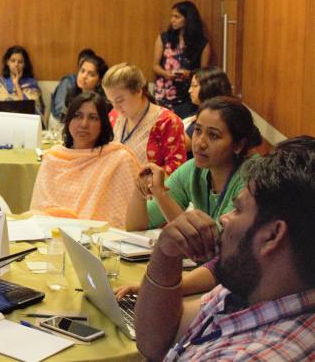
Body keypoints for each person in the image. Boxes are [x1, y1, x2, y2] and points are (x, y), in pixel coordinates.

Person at [134, 136, 315, 361]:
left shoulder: (255, 355)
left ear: (272, 236)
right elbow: (157, 342)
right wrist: (165, 255)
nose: (225, 219)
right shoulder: (250, 288)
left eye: (238, 210)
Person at [126, 96, 262, 231]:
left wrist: (161, 194)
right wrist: (141, 188)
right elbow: (137, 227)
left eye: (213, 135)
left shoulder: (254, 178)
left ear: (238, 145)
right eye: (197, 130)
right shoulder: (193, 169)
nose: (199, 143)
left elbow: (215, 244)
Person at [30, 92, 142, 228]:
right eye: (78, 116)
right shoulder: (53, 158)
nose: (84, 124)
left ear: (103, 124)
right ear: (68, 120)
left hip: (100, 239)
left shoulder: (119, 159)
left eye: (93, 118)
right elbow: (39, 211)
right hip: (48, 234)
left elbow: (126, 218)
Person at [102, 62, 186, 175]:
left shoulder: (167, 122)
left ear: (138, 91)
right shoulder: (113, 116)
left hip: (149, 190)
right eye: (111, 101)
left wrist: (146, 179)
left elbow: (177, 169)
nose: (115, 107)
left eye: (120, 100)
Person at [153, 0, 212, 119]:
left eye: (177, 17)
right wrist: (166, 73)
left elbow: (204, 73)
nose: (172, 20)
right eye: (172, 16)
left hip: (188, 97)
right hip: (163, 94)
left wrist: (189, 74)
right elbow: (155, 65)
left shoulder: (202, 43)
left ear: (188, 19)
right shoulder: (164, 38)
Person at [0, 45, 45, 122]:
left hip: (24, 124)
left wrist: (16, 84)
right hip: (2, 124)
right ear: (8, 62)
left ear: (24, 64)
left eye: (20, 62)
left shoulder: (31, 84)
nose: (16, 64)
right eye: (13, 61)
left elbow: (31, 111)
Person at [183, 66, 233, 153]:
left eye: (194, 86)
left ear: (208, 87)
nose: (189, 90)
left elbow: (178, 145)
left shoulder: (215, 116)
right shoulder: (200, 110)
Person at [49, 48, 96, 127]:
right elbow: (60, 113)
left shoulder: (100, 97)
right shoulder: (69, 84)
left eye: (90, 73)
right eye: (82, 70)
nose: (84, 76)